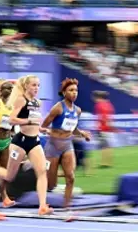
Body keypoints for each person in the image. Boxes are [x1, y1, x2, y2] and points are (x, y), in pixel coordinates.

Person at [0, 75, 53, 216]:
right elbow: (11, 120)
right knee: (10, 176)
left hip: (34, 141)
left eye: (38, 85)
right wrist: (27, 121)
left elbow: (35, 122)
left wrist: (41, 129)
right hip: (20, 142)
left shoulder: (38, 103)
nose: (36, 88)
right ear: (26, 86)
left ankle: (42, 206)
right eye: (33, 85)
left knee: (42, 172)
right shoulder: (21, 100)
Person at [41, 78, 91, 208]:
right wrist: (51, 132)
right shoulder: (57, 108)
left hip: (67, 145)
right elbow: (43, 126)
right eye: (71, 90)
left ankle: (66, 207)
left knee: (71, 177)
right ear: (64, 93)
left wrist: (82, 134)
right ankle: (43, 204)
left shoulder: (78, 110)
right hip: (53, 146)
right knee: (51, 184)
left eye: (76, 90)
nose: (74, 93)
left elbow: (73, 129)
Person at [93, 91, 114, 170]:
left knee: (104, 146)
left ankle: (104, 163)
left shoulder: (99, 105)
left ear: (98, 97)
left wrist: (101, 126)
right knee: (108, 146)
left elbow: (103, 117)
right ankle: (108, 162)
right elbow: (109, 116)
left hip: (102, 128)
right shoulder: (109, 104)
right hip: (108, 128)